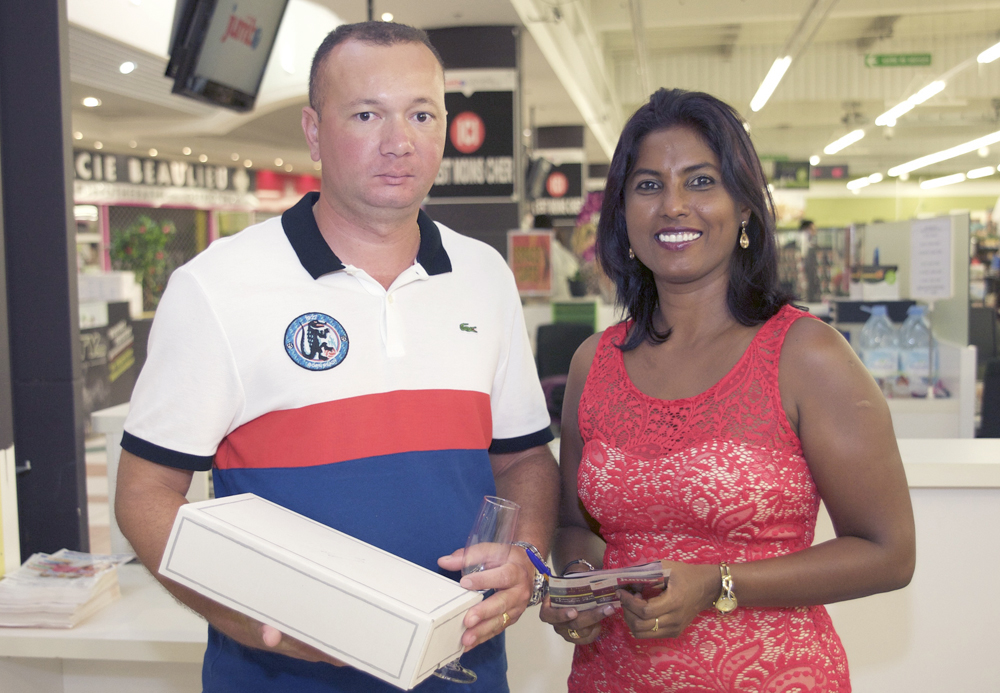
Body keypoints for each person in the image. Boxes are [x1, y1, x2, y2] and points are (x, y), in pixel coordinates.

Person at [115, 21, 559, 693]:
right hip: (277, 676)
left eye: (421, 114)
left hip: (461, 670)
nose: (398, 140)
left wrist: (526, 555)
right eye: (365, 114)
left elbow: (524, 457)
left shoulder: (485, 276)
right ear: (314, 132)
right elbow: (145, 491)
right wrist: (238, 611)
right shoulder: (217, 287)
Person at [539, 88, 915, 692]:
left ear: (743, 205)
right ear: (622, 212)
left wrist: (720, 582)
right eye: (648, 185)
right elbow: (573, 526)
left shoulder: (806, 355)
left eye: (701, 181)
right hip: (612, 678)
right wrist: (580, 582)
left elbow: (888, 552)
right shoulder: (595, 363)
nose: (674, 206)